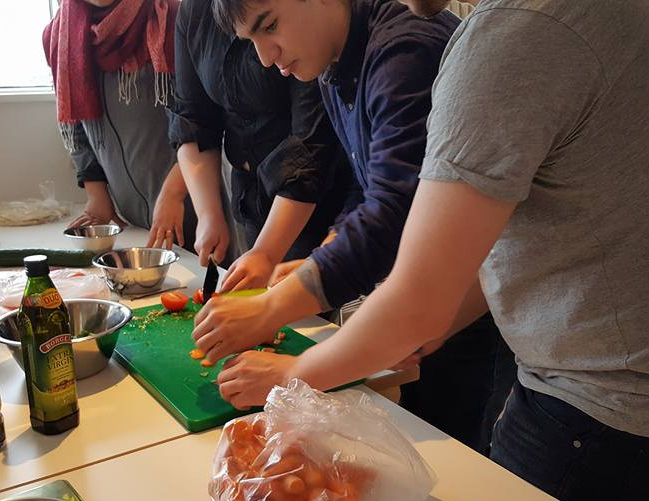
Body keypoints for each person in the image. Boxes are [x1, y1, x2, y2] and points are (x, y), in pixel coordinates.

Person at [208, 0, 649, 501]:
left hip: (614, 399)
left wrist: (290, 373)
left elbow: (416, 291)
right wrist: (431, 322)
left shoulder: (514, 33)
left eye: (269, 26)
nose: (264, 58)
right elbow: (503, 230)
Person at [197, 0, 516, 453]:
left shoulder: (404, 52)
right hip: (433, 303)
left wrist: (271, 311)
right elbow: (367, 182)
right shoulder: (337, 61)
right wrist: (320, 256)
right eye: (252, 41)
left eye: (269, 26)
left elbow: (394, 211)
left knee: (454, 458)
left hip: (476, 305)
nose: (266, 57)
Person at [168, 0, 355, 286]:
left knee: (309, 302)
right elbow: (193, 120)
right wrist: (208, 214)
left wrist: (266, 253)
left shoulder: (311, 34)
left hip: (316, 203)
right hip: (250, 199)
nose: (266, 59)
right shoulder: (193, 12)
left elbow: (311, 145)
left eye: (269, 27)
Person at [44, 0, 209, 252]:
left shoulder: (171, 18)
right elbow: (73, 123)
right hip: (133, 224)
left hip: (196, 207)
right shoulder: (60, 35)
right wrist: (97, 195)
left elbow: (202, 117)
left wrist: (174, 193)